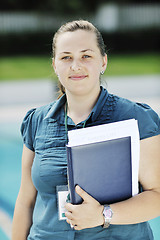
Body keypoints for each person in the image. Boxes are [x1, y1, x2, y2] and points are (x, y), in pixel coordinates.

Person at [12, 20, 160, 240]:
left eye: (86, 56)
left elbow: (156, 196)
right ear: (55, 65)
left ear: (103, 62)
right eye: (66, 57)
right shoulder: (36, 121)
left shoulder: (136, 118)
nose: (75, 65)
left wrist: (103, 215)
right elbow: (26, 201)